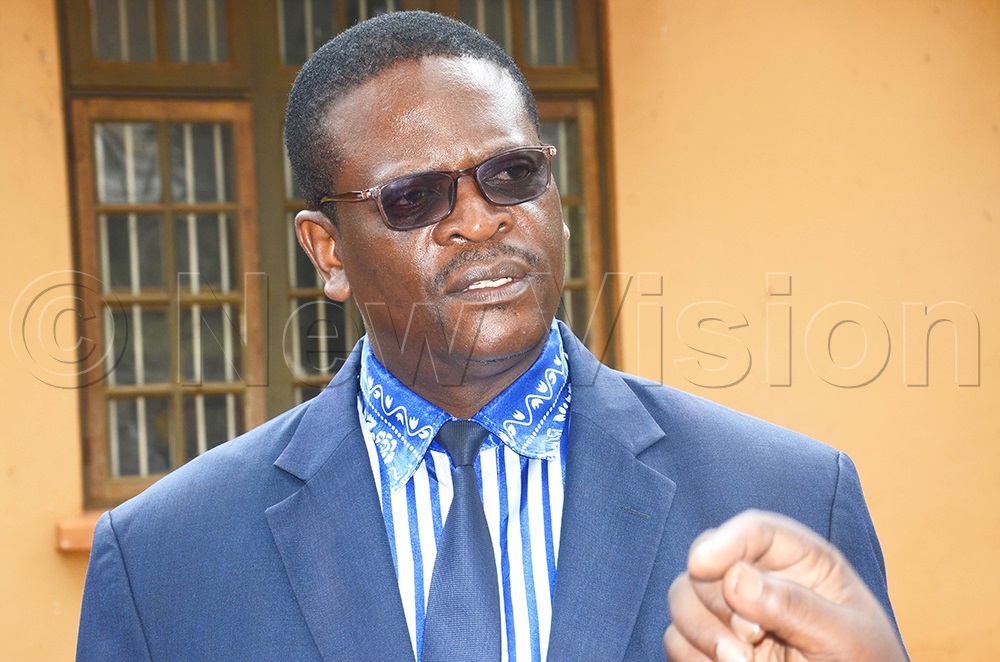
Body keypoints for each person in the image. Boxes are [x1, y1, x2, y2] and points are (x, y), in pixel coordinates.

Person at [77, 11, 907, 662]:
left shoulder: (791, 501)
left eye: (512, 174)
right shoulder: (164, 561)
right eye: (415, 197)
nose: (479, 221)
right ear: (328, 252)